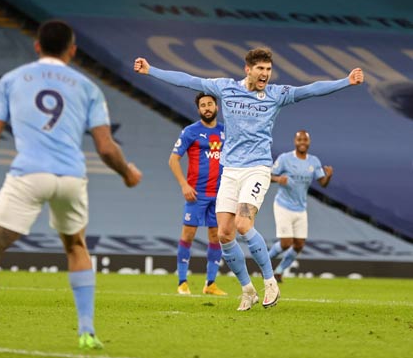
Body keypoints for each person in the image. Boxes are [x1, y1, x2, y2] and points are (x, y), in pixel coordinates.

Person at [0, 20, 142, 351]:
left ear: (37, 46)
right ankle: (86, 331)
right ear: (73, 50)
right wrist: (126, 173)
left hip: (29, 174)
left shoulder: (12, 80)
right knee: (76, 246)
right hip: (71, 178)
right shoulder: (88, 87)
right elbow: (106, 148)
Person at [134, 48, 363, 311]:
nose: (265, 74)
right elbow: (188, 80)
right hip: (230, 170)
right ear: (248, 69)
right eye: (260, 69)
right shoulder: (226, 88)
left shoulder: (277, 94)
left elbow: (310, 89)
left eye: (268, 69)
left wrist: (346, 81)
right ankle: (247, 290)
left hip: (257, 168)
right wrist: (151, 70)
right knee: (224, 234)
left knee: (243, 224)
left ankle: (270, 282)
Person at [169, 92, 227, 297]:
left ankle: (210, 284)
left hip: (220, 195)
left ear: (217, 107)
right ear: (199, 109)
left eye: (210, 104)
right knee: (188, 235)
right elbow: (173, 160)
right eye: (203, 105)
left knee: (215, 237)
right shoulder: (190, 131)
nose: (207, 108)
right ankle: (182, 282)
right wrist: (184, 185)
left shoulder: (226, 131)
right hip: (196, 193)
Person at [268, 130, 333, 282]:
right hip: (283, 205)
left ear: (309, 142)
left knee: (299, 244)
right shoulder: (285, 158)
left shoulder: (313, 162)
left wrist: (328, 176)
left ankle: (279, 271)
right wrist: (278, 179)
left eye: (305, 139)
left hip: (301, 208)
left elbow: (322, 183)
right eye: (300, 139)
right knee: (286, 243)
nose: (302, 142)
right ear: (295, 142)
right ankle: (264, 262)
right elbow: (268, 176)